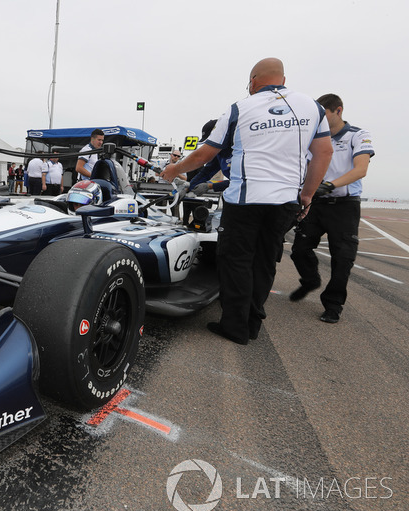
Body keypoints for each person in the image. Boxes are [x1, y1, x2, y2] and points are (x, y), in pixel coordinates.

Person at [161, 57, 333, 345]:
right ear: (284, 79)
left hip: (245, 201)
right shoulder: (311, 106)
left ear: (253, 81)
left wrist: (174, 170)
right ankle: (253, 322)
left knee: (235, 260)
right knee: (265, 261)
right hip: (285, 201)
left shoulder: (240, 108)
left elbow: (206, 154)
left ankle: (235, 326)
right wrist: (307, 195)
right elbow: (324, 152)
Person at [289, 94, 375, 324]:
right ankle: (310, 280)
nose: (321, 121)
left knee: (343, 258)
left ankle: (333, 304)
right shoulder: (313, 138)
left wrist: (329, 185)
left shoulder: (358, 135)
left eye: (324, 115)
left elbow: (361, 169)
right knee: (299, 250)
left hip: (344, 206)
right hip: (315, 203)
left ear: (338, 111)